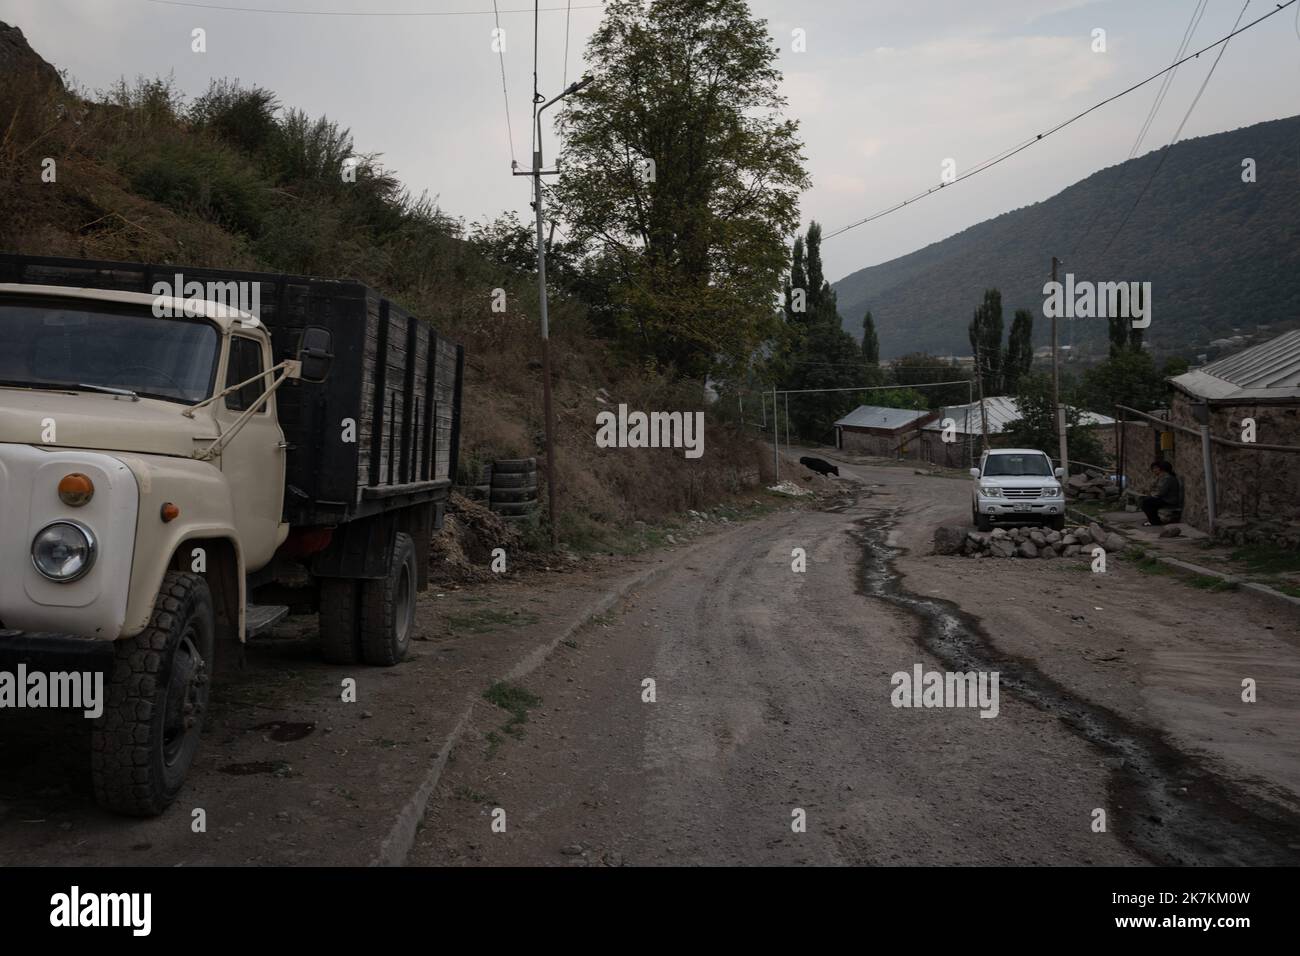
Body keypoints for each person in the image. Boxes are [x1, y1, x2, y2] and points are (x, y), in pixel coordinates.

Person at [1141, 460, 1181, 526]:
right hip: (1165, 498)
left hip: (1169, 500)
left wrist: (1153, 495)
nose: (1156, 470)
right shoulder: (1164, 478)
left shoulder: (1168, 478)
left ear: (1163, 470)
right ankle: (1154, 520)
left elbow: (1161, 492)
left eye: (1158, 468)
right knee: (1147, 501)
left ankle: (1154, 521)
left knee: (1146, 502)